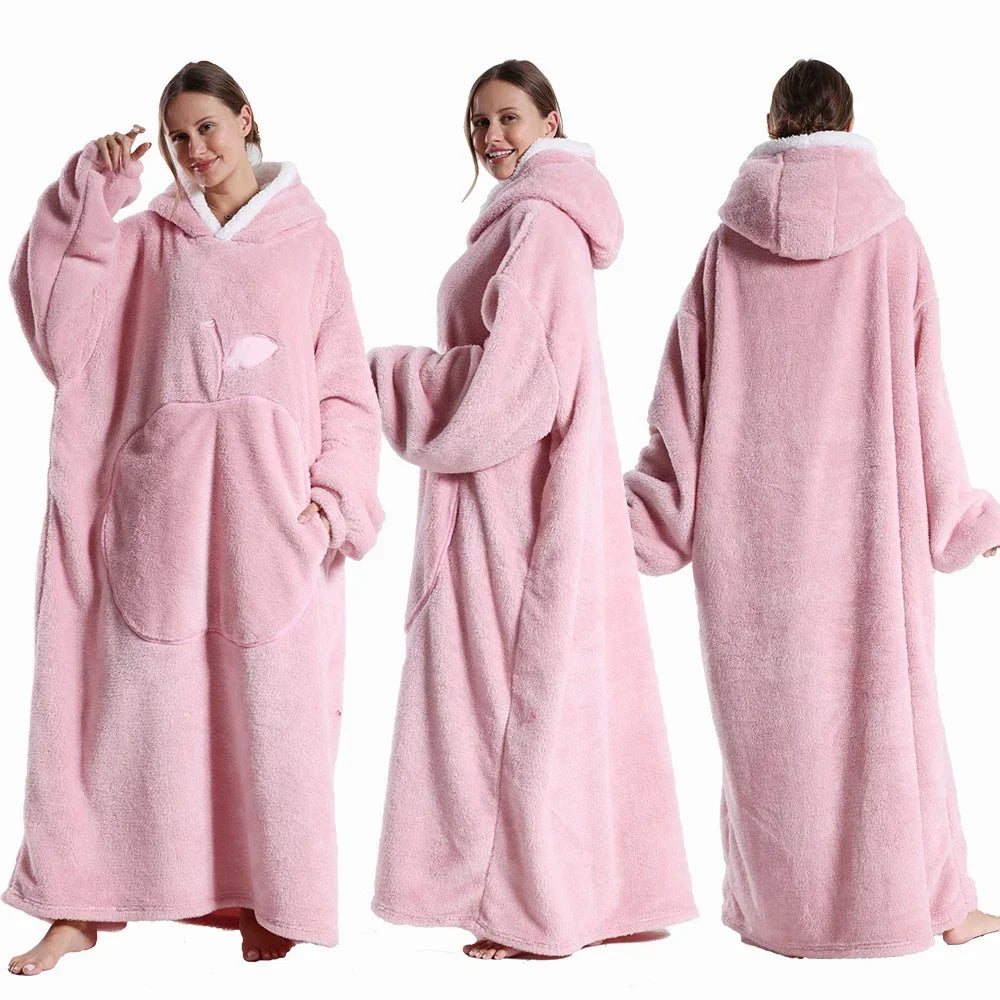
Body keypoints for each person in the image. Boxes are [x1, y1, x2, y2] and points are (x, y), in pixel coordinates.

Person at [6, 60, 382, 975]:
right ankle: (79, 903)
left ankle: (265, 895)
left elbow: (344, 386)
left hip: (271, 526)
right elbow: (62, 330)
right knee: (130, 715)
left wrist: (333, 501)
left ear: (247, 119)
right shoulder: (147, 241)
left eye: (207, 127)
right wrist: (90, 195)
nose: (193, 149)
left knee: (271, 717)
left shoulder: (309, 244)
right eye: (178, 137)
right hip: (161, 523)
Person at [625, 58, 1000, 959]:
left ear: (771, 123)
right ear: (851, 123)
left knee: (772, 734)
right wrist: (961, 519)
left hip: (749, 546)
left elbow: (681, 404)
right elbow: (926, 401)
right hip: (869, 538)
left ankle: (783, 920)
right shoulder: (894, 242)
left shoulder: (726, 251)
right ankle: (934, 907)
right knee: (892, 722)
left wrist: (647, 515)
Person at [369, 59, 696, 961]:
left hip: (513, 498)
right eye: (479, 123)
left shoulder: (543, 224)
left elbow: (520, 384)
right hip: (528, 490)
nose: (491, 137)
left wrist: (390, 375)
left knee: (505, 702)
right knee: (555, 691)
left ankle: (529, 912)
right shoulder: (533, 220)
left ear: (553, 120)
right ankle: (602, 899)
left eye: (509, 117)